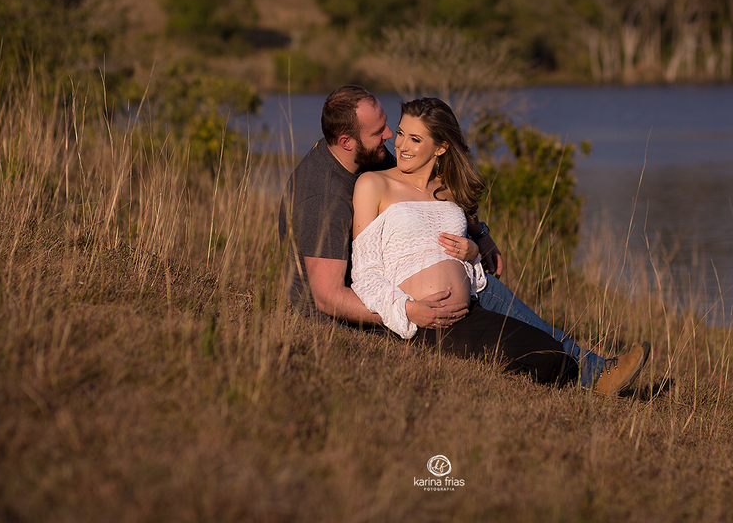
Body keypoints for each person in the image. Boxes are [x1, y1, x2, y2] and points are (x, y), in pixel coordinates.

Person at [278, 85, 649, 393]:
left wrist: (478, 236)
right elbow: (328, 298)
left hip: (428, 289)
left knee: (492, 290)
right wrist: (406, 311)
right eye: (381, 133)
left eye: (391, 127)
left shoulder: (369, 156)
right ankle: (581, 369)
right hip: (347, 319)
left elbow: (423, 194)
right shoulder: (321, 195)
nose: (391, 138)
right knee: (531, 350)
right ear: (346, 141)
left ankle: (593, 368)